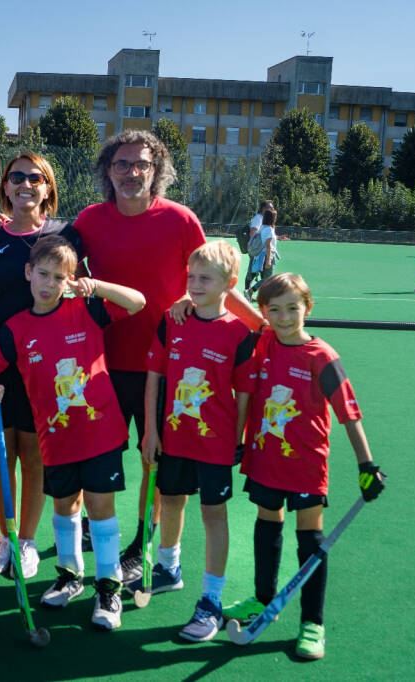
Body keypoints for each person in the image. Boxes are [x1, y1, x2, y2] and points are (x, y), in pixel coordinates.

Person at [72, 131, 263, 583]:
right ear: (107, 171)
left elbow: (219, 283)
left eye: (142, 164)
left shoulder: (181, 220)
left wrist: (265, 328)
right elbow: (60, 268)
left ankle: (141, 544)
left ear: (157, 172)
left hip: (168, 369)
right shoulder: (89, 220)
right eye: (122, 164)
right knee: (93, 454)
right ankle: (85, 531)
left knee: (151, 459)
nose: (132, 172)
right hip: (101, 363)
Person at [0, 236, 145, 631]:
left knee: (101, 510)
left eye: (59, 277)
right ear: (28, 273)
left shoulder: (87, 309)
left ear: (70, 280)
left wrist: (95, 285)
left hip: (100, 433)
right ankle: (70, 576)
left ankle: (108, 587)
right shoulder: (16, 328)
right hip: (55, 439)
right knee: (65, 507)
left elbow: (137, 302)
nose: (49, 284)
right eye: (44, 274)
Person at [222, 273, 386, 660]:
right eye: (274, 309)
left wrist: (367, 464)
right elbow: (227, 299)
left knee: (310, 539)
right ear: (264, 312)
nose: (283, 317)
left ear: (308, 308)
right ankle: (263, 600)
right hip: (265, 458)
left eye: (292, 308)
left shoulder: (322, 356)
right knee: (267, 525)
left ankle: (313, 622)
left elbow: (348, 413)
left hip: (306, 465)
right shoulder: (264, 341)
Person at [129, 241, 253, 642]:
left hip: (215, 444)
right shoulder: (173, 320)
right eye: (192, 278)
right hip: (172, 436)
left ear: (229, 284)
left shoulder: (239, 333)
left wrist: (238, 440)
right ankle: (169, 568)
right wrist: (150, 430)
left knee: (214, 515)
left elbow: (245, 394)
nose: (195, 285)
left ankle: (211, 601)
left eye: (206, 279)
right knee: (170, 498)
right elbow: (154, 377)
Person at [0, 153, 82, 579]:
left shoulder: (63, 235)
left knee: (34, 455)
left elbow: (79, 285)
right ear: (6, 188)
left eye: (35, 178)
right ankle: (6, 537)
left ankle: (29, 541)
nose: (25, 184)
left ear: (48, 188)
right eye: (16, 177)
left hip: (44, 364)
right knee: (0, 455)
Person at [245, 208, 279, 297]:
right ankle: (251, 291)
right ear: (272, 218)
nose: (276, 219)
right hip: (266, 256)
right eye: (274, 217)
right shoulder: (269, 230)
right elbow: (268, 245)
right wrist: (268, 260)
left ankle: (257, 295)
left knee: (262, 278)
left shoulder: (262, 228)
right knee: (268, 279)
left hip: (259, 256)